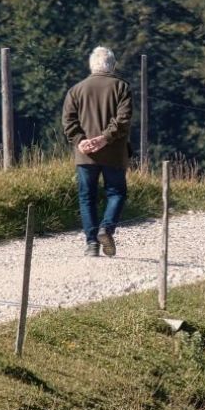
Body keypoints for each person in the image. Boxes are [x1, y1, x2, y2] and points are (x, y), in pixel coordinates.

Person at [62, 46, 132, 257]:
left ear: (91, 65)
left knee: (87, 197)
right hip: (114, 153)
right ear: (113, 65)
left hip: (85, 155)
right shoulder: (121, 87)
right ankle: (106, 228)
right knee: (117, 193)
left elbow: (68, 121)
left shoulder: (76, 90)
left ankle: (92, 243)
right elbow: (123, 120)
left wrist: (80, 141)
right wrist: (105, 138)